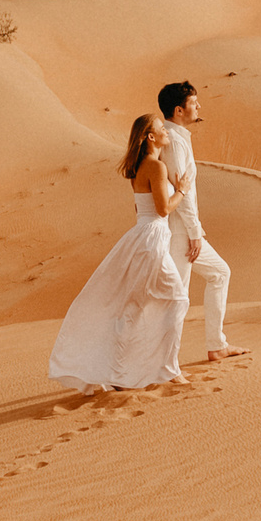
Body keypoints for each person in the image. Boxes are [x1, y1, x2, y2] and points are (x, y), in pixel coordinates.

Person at [47, 114, 189, 393]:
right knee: (175, 298)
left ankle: (123, 371)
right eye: (162, 129)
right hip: (152, 239)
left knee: (133, 307)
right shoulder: (156, 167)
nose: (166, 132)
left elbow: (141, 209)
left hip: (142, 236)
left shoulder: (139, 167)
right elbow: (162, 209)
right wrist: (181, 190)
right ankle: (168, 369)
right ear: (151, 137)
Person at [158, 80, 247, 360]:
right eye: (194, 103)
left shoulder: (179, 138)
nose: (199, 107)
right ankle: (163, 362)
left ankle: (216, 345)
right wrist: (195, 231)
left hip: (185, 230)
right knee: (177, 297)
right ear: (178, 110)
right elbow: (178, 191)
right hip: (179, 231)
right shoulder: (173, 143)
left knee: (219, 273)